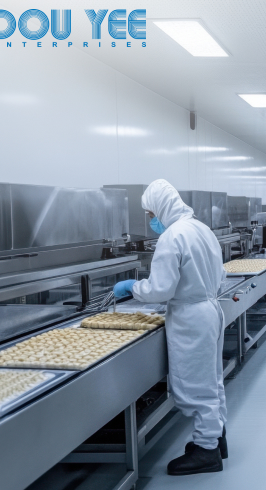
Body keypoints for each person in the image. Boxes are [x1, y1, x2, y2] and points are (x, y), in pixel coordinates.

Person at [112, 179, 228, 476]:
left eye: (151, 213)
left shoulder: (173, 236)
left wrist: (133, 288)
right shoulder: (200, 228)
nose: (151, 220)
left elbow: (161, 289)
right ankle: (215, 438)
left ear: (162, 208)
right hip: (211, 309)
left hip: (191, 318)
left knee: (195, 386)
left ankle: (207, 451)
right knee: (212, 380)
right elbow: (222, 272)